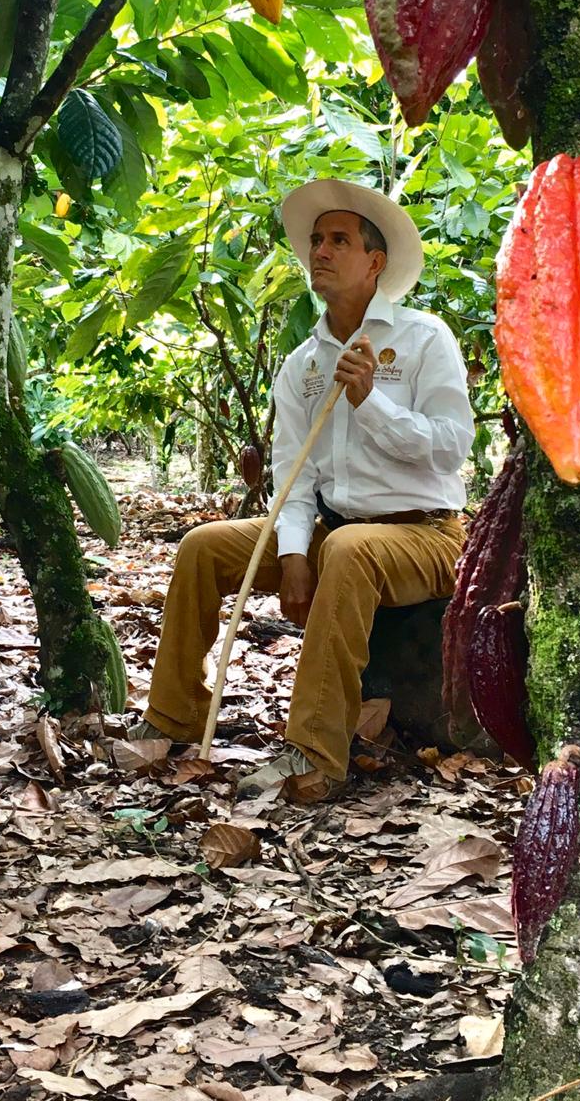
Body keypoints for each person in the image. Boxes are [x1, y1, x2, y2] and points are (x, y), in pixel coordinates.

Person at [131, 178, 474, 799]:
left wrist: (372, 404)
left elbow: (453, 446)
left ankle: (314, 753)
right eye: (316, 239)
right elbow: (296, 474)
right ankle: (173, 716)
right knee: (205, 545)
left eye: (338, 240)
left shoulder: (425, 339)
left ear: (375, 261)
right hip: (335, 530)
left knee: (348, 551)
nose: (320, 250)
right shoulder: (304, 364)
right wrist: (291, 555)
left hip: (427, 534)